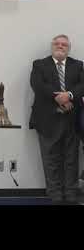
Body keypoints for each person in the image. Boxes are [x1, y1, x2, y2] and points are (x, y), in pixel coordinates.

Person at [30, 34, 84, 204]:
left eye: (64, 44)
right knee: (50, 158)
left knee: (71, 159)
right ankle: (55, 195)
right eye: (57, 43)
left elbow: (82, 85)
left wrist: (69, 95)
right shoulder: (39, 65)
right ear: (52, 46)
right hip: (47, 119)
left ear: (69, 48)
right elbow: (37, 85)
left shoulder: (78, 65)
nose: (60, 46)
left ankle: (71, 194)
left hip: (72, 120)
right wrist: (58, 98)